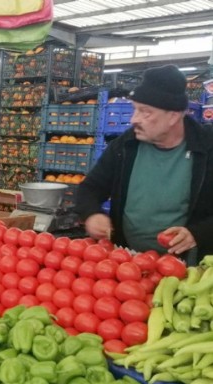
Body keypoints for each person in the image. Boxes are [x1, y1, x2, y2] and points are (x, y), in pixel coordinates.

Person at [75, 64, 213, 264]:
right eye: (134, 109)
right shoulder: (126, 145)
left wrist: (198, 233)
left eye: (145, 112)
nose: (134, 119)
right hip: (128, 264)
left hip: (188, 269)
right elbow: (91, 188)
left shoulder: (208, 147)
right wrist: (92, 214)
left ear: (173, 116)